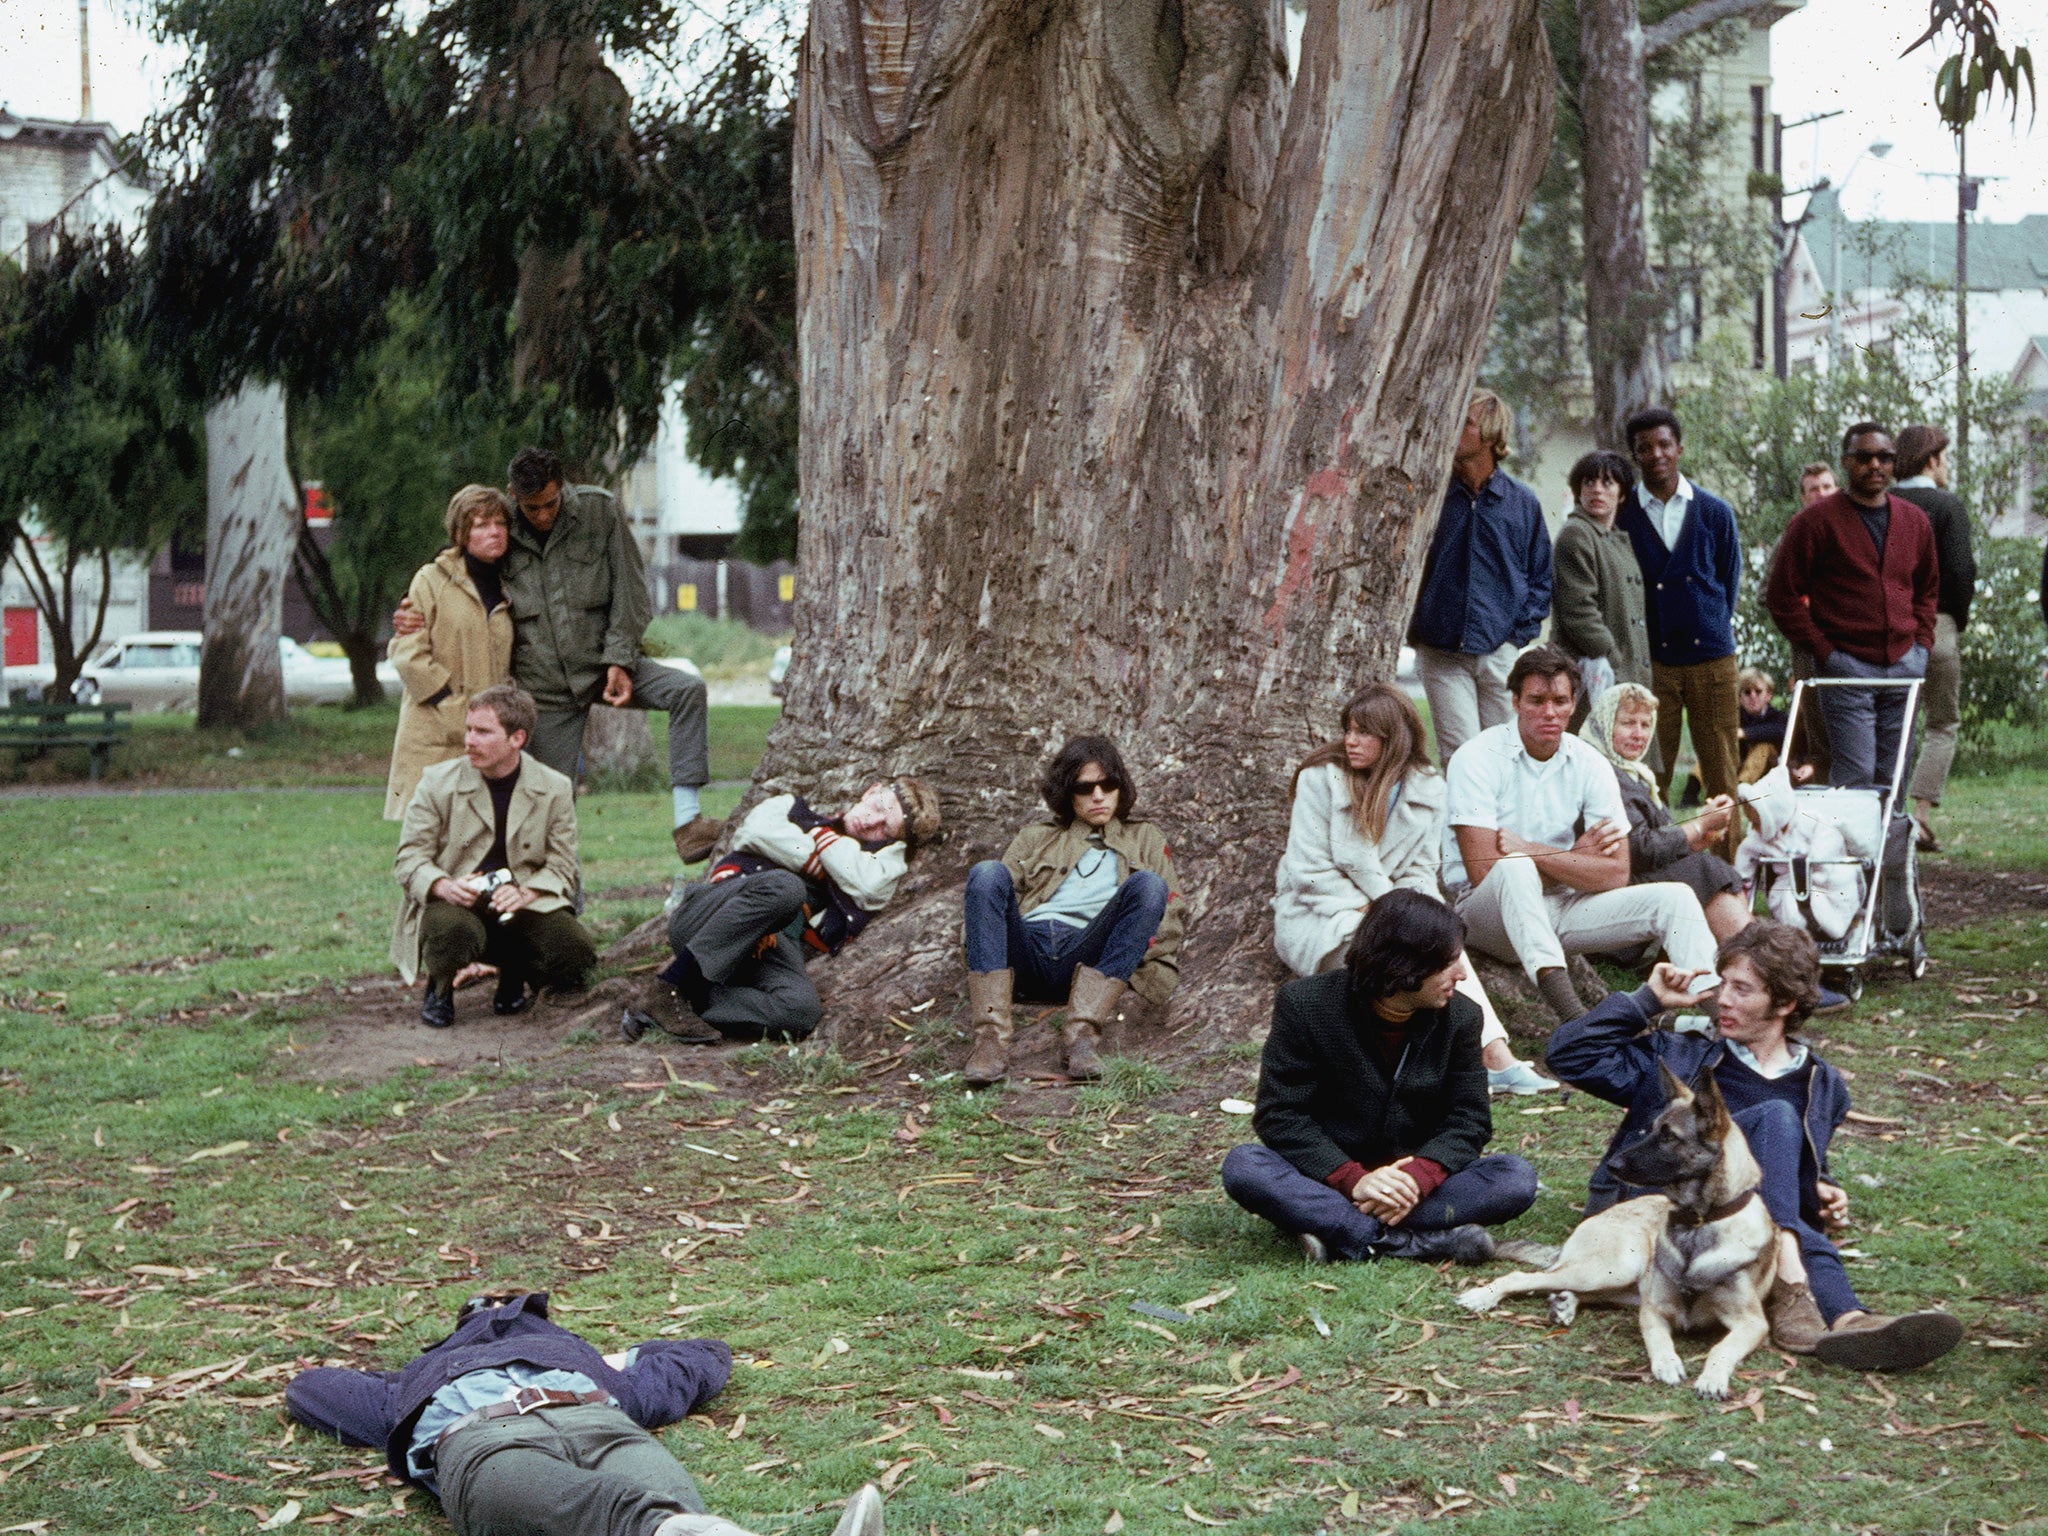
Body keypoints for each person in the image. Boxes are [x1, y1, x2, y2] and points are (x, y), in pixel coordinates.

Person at [1547, 921, 1965, 1372]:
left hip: (1746, 1223)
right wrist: (1645, 1002)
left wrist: (1824, 1184)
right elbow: (1569, 1056)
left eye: (1742, 990)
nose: (1722, 999)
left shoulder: (1821, 1084)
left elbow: (1802, 1162)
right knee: (1774, 1125)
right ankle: (1792, 1288)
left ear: (1784, 1003)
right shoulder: (1682, 1057)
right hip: (1663, 1209)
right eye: (1723, 984)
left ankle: (1852, 1322)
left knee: (1786, 1210)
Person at [285, 1289, 887, 1536]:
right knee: (640, 1517)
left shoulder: (602, 1374)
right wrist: (405, 1388)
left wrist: (612, 1364)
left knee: (672, 1516)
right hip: (488, 1446)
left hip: (600, 1421)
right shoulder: (415, 1386)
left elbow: (705, 1356)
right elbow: (310, 1390)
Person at [394, 447, 724, 866]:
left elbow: (631, 592)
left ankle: (689, 823)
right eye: (532, 508)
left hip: (605, 662)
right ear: (515, 495)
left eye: (551, 503)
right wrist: (411, 609)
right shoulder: (503, 525)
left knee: (687, 690)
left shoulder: (598, 512)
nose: (544, 515)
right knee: (552, 800)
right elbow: (457, 572)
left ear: (562, 487)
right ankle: (562, 904)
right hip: (543, 689)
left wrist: (619, 660)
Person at [1221, 889, 1539, 1266]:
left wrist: (1420, 1176)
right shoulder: (1306, 1005)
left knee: (1515, 1178)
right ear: (1405, 965)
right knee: (1245, 1166)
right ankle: (1410, 1242)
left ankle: (1339, 1230)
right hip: (1328, 1179)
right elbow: (1281, 1115)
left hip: (1414, 1187)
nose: (1462, 974)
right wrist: (1354, 1179)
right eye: (1448, 962)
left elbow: (1469, 1120)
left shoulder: (1462, 1018)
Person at [1271, 683, 1554, 1095]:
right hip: (1323, 917)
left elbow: (1421, 872)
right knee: (1405, 957)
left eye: (1364, 732)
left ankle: (1496, 1056)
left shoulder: (1425, 788)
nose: (1351, 741)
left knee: (1443, 950)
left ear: (1393, 739)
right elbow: (1307, 872)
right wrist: (1377, 913)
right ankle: (1460, 1066)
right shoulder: (1322, 779)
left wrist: (1411, 917)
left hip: (1388, 915)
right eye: (1348, 729)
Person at [1445, 644, 1718, 1023]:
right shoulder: (1477, 758)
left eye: (1560, 700)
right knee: (1513, 870)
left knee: (1676, 899)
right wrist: (1574, 856)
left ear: (1575, 703)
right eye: (1536, 700)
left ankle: (1717, 1016)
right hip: (1486, 915)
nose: (1549, 712)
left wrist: (1534, 851)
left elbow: (1615, 872)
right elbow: (1486, 873)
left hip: (1563, 904)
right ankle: (1574, 1017)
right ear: (1515, 702)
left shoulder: (1589, 762)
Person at [648, 777, 941, 1044]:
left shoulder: (877, 866)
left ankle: (683, 999)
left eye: (883, 829)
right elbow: (755, 831)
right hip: (708, 917)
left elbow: (868, 886)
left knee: (800, 1011)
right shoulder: (790, 807)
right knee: (787, 889)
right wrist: (822, 861)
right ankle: (671, 983)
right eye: (878, 806)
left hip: (772, 947)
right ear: (871, 790)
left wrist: (819, 845)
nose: (870, 822)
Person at [962, 737, 1184, 1086]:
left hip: (1090, 952)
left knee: (1150, 886)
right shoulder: (1036, 836)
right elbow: (988, 904)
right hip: (1027, 952)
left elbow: (1169, 915)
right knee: (986, 873)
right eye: (1085, 788)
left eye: (1107, 785)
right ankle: (990, 1041)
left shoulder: (1146, 838)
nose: (1098, 796)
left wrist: (1125, 954)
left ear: (1119, 787)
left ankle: (1082, 1036)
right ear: (1068, 792)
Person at [393, 684, 597, 1027]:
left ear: (517, 739)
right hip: (459, 902)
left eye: (483, 732)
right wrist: (443, 885)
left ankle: (517, 974)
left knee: (574, 949)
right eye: (469, 729)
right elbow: (409, 857)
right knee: (449, 930)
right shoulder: (437, 782)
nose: (469, 740)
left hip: (522, 902)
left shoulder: (554, 787)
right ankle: (440, 988)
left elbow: (563, 864)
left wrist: (526, 893)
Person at [1766, 423, 1938, 791]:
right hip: (1847, 669)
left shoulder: (1914, 520)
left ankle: (1889, 849)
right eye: (1864, 457)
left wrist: (1922, 645)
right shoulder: (1814, 522)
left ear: (1894, 463)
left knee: (1895, 781)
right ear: (1846, 462)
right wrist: (1826, 651)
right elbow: (1782, 596)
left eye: (1884, 458)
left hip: (1904, 665)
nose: (1875, 465)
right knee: (1855, 777)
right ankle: (1855, 851)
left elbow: (1927, 590)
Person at [1615, 408, 1743, 856]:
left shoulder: (1713, 512)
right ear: (1634, 455)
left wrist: (1705, 627)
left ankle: (1730, 875)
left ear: (1680, 448)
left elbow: (1728, 581)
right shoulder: (1623, 514)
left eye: (1664, 445)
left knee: (1723, 770)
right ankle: (1661, 861)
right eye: (1645, 448)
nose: (1656, 455)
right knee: (1653, 770)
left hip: (1712, 661)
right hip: (1655, 666)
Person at [1406, 389, 1552, 766]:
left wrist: (1514, 638)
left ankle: (1506, 828)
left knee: (1508, 757)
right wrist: (1418, 628)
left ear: (1489, 434)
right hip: (1442, 653)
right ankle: (1466, 829)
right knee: (1462, 757)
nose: (1453, 428)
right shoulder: (1431, 495)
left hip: (1498, 653)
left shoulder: (1521, 503)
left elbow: (1540, 577)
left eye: (1465, 422)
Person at [1578, 682, 1750, 943]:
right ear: (1604, 723)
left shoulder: (1633, 773)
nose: (1638, 734)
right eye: (1627, 723)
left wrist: (1696, 840)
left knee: (1710, 867)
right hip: (1613, 887)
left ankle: (1752, 953)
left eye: (1645, 724)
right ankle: (1755, 958)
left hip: (1638, 876)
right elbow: (1639, 849)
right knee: (1706, 870)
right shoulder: (1601, 772)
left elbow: (1656, 838)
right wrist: (1699, 826)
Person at [385, 486, 516, 820]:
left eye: (500, 523)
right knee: (435, 838)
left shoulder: (512, 585)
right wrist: (448, 703)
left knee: (486, 841)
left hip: (491, 736)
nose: (495, 532)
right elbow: (407, 652)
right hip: (436, 730)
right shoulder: (431, 580)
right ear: (460, 533)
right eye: (482, 524)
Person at [1891, 424, 1976, 851]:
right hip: (1937, 622)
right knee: (1942, 723)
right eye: (1944, 456)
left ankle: (1886, 815)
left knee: (1891, 724)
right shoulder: (1947, 506)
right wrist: (1954, 619)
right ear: (1932, 459)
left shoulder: (1881, 503)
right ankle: (1919, 818)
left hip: (1885, 627)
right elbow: (1960, 572)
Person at [1550, 449, 1652, 742]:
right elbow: (1579, 610)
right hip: (1591, 669)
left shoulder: (1616, 539)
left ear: (1621, 495)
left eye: (1607, 483)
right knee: (1588, 750)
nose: (1597, 489)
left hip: (1620, 668)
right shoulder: (1576, 533)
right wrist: (1614, 657)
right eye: (1588, 482)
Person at [1736, 666, 1786, 784]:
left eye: (1758, 691)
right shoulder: (1735, 718)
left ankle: (1741, 791)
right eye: (1747, 692)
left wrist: (1745, 733)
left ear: (1768, 696)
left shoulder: (1778, 717)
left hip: (1768, 772)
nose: (1753, 696)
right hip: (1739, 765)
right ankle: (1691, 790)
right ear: (1740, 698)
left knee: (1763, 747)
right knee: (1715, 747)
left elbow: (1778, 730)